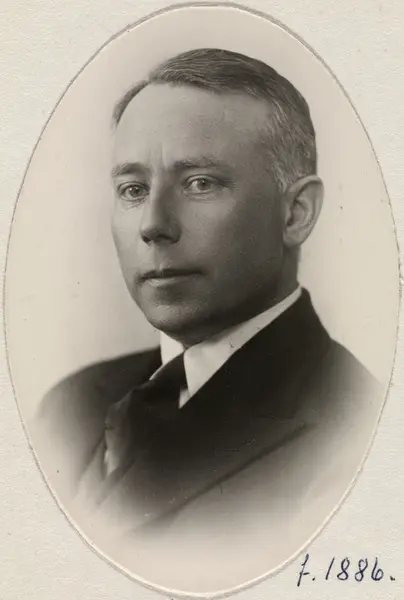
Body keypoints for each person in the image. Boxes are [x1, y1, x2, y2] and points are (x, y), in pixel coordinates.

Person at [38, 48, 379, 551]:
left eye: (200, 183)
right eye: (132, 189)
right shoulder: (69, 405)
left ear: (296, 214)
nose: (153, 224)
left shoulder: (361, 440)